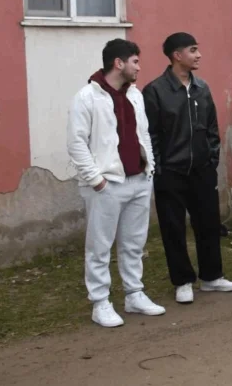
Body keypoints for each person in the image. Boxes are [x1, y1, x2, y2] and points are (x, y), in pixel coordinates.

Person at [67, 38, 165, 327]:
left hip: (138, 180)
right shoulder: (86, 97)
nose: (139, 67)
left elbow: (143, 134)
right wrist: (97, 181)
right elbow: (76, 143)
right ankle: (100, 303)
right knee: (99, 246)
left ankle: (134, 294)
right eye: (135, 61)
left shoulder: (135, 95)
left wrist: (150, 169)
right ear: (118, 63)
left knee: (134, 243)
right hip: (106, 185)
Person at [143, 33, 232, 305]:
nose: (199, 55)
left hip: (201, 170)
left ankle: (212, 277)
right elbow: (151, 135)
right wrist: (159, 168)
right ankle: (183, 281)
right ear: (177, 55)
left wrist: (211, 159)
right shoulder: (155, 91)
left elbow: (211, 129)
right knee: (173, 228)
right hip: (170, 172)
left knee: (208, 223)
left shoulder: (202, 88)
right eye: (193, 50)